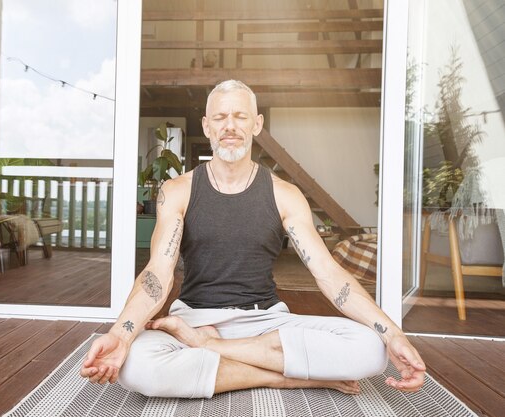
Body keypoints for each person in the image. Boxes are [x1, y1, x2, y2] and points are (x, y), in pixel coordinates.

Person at [80, 80, 425, 398]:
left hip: (266, 324)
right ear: (207, 127)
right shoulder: (178, 191)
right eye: (220, 117)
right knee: (137, 367)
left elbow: (329, 274)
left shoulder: (285, 195)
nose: (230, 125)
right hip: (194, 317)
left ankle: (209, 349)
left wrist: (392, 333)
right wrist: (121, 335)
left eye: (240, 116)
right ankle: (282, 376)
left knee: (371, 349)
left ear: (256, 124)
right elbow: (158, 273)